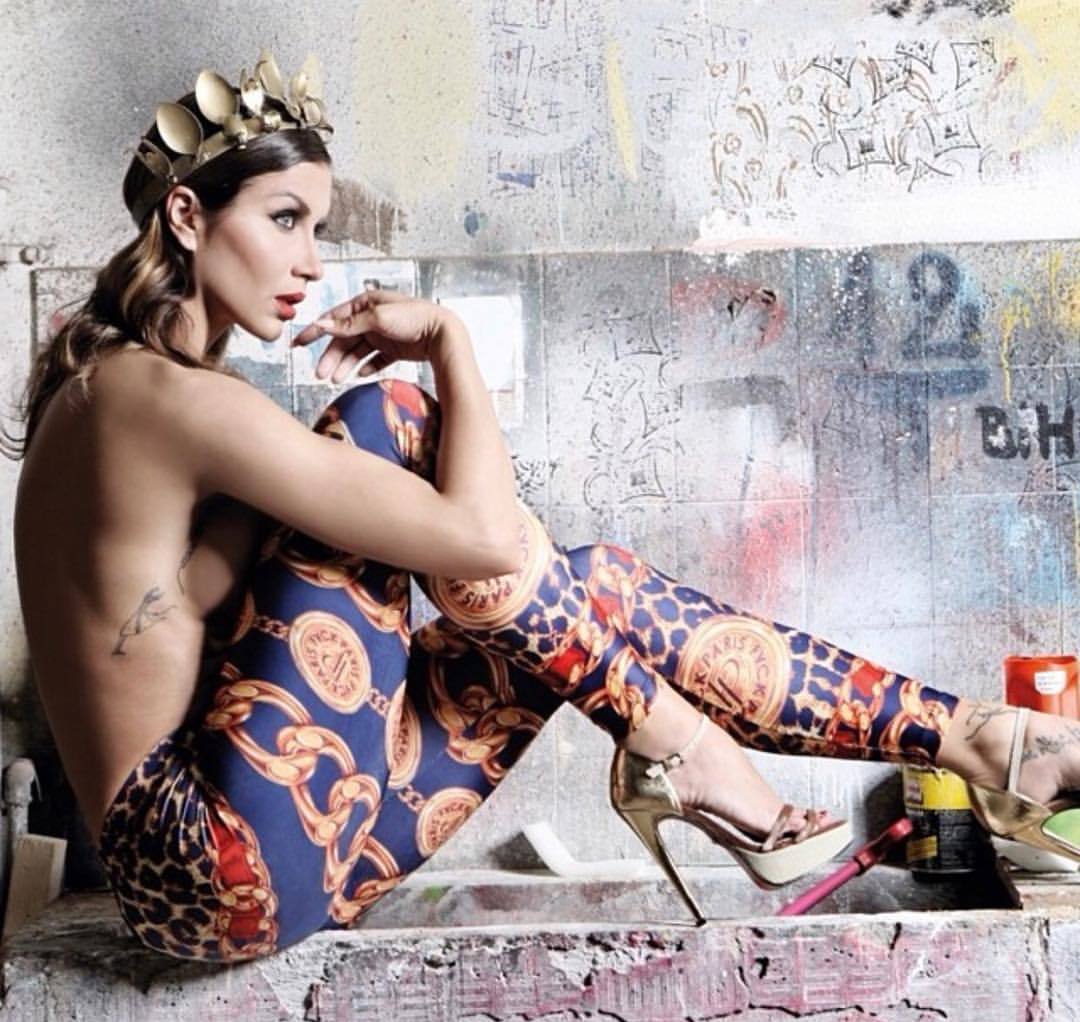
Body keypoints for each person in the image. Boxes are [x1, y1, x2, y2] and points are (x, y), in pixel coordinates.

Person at [6, 50, 1080, 964]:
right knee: (385, 413)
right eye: (284, 220)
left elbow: (213, 614)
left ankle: (981, 741)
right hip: (209, 850)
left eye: (315, 226)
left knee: (590, 588)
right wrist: (449, 349)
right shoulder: (153, 398)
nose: (311, 262)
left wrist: (448, 364)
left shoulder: (129, 398)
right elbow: (478, 537)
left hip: (248, 869)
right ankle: (700, 751)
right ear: (188, 216)